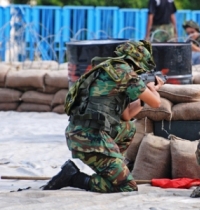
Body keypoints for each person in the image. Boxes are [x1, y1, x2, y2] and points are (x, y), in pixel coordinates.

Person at [41, 40, 165, 193]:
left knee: (128, 127)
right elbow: (156, 103)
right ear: (138, 63)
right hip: (89, 136)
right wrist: (153, 89)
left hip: (84, 133)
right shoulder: (123, 72)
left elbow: (126, 115)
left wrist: (142, 97)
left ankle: (112, 169)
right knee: (127, 187)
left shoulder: (109, 70)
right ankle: (74, 177)